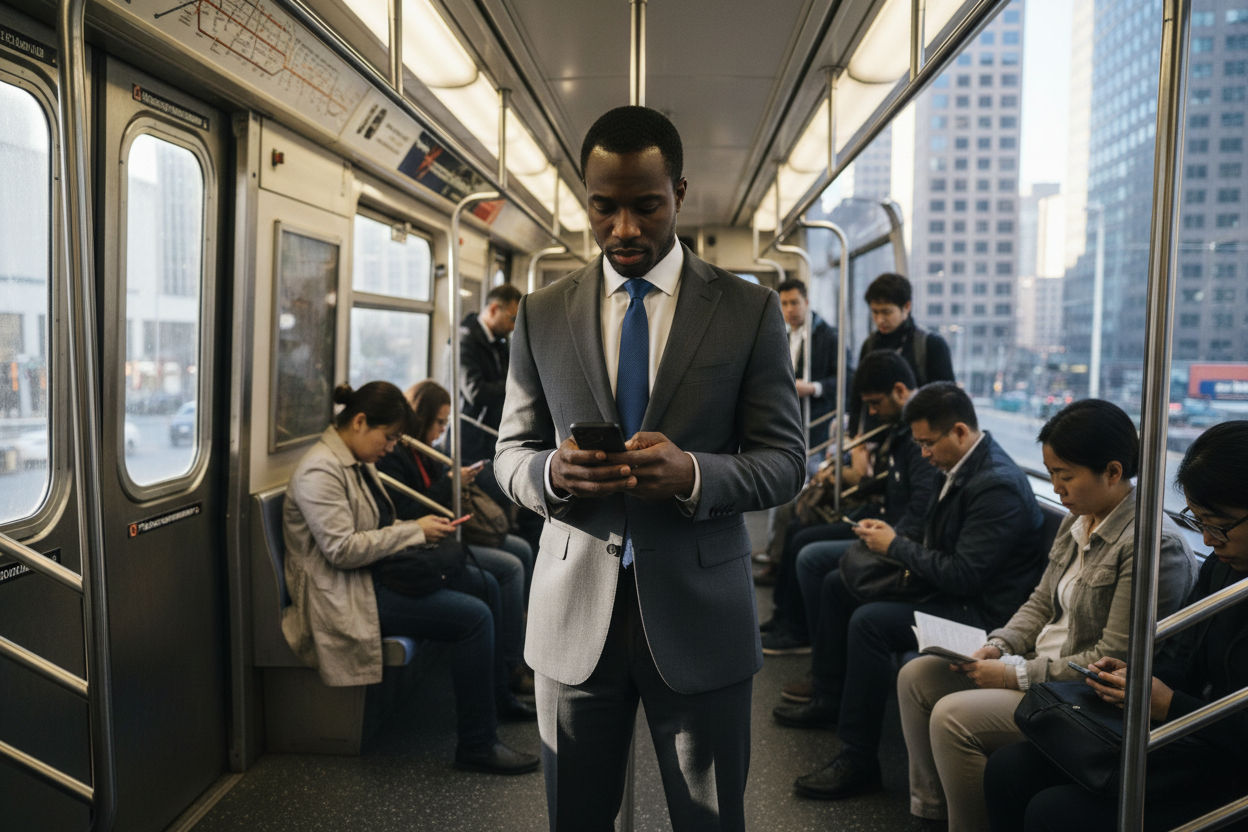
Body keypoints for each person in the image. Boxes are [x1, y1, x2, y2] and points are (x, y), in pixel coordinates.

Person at [494, 106, 805, 831]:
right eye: (604, 207)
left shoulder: (748, 310)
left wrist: (694, 474)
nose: (624, 229)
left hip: (701, 613)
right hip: (574, 613)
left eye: (646, 206)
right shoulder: (542, 314)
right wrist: (553, 475)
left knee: (710, 819)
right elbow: (509, 454)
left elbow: (786, 462)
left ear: (680, 193)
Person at [897, 399, 1196, 832]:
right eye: (1051, 473)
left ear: (1113, 472)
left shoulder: (1152, 546)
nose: (1056, 488)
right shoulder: (1079, 519)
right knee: (918, 675)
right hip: (1036, 665)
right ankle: (931, 813)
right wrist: (1000, 644)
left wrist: (1013, 675)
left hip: (1076, 693)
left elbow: (1110, 659)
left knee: (952, 717)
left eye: (1065, 476)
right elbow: (1040, 603)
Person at [775, 382, 1046, 800]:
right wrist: (894, 535)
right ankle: (830, 695)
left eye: (927, 443)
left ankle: (859, 759)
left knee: (870, 623)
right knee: (837, 584)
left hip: (983, 612)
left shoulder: (997, 486)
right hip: (951, 591)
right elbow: (928, 530)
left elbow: (965, 576)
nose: (923, 453)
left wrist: (896, 547)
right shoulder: (957, 466)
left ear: (959, 432)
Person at [984, 420, 1248, 832]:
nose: (1210, 540)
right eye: (1200, 523)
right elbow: (1186, 659)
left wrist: (1171, 705)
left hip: (1227, 766)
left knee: (1054, 812)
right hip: (1191, 737)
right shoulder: (1222, 568)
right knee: (1009, 768)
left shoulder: (1153, 544)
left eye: (1219, 525)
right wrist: (1134, 677)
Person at [281, 381, 539, 774]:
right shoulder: (321, 471)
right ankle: (477, 744)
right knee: (474, 619)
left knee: (487, 584)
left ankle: (499, 696)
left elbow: (374, 527)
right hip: (347, 591)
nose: (389, 448)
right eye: (387, 438)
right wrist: (414, 531)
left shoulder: (354, 460)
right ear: (360, 422)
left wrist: (417, 530)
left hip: (374, 572)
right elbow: (342, 550)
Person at [772, 350, 943, 690]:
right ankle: (798, 633)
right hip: (887, 522)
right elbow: (893, 485)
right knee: (802, 536)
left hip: (899, 536)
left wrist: (890, 541)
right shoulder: (900, 430)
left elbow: (920, 510)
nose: (873, 412)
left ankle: (824, 670)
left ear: (900, 391)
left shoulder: (918, 438)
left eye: (876, 403)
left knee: (813, 558)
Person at [376, 379, 536, 696]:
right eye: (438, 422)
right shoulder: (394, 456)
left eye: (445, 423)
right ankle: (511, 666)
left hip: (442, 536)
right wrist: (449, 484)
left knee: (521, 549)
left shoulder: (428, 452)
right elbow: (405, 510)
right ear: (421, 418)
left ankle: (518, 653)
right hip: (421, 549)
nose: (441, 430)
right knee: (509, 569)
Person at [847, 273, 954, 437]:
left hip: (917, 438)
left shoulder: (931, 345)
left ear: (906, 307)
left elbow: (946, 401)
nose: (880, 320)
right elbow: (857, 397)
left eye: (886, 312)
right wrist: (854, 435)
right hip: (877, 436)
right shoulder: (870, 345)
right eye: (875, 312)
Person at [457, 283, 521, 466]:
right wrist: (517, 385)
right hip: (471, 436)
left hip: (492, 433)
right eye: (512, 318)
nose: (513, 326)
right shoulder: (465, 339)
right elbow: (476, 391)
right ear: (494, 309)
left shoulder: (498, 341)